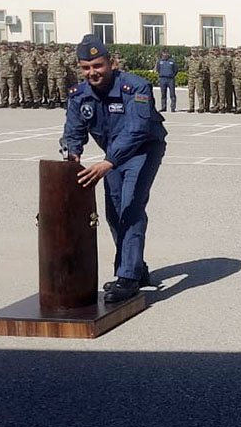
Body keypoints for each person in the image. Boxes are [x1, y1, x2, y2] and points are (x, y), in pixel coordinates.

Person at [63, 35, 168, 303]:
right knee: (114, 212)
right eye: (86, 68)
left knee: (131, 207)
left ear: (111, 63)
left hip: (143, 149)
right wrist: (72, 153)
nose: (92, 72)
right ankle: (136, 268)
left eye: (97, 65)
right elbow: (74, 130)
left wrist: (108, 162)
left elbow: (137, 130)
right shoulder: (79, 95)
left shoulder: (135, 87)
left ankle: (128, 279)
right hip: (112, 156)